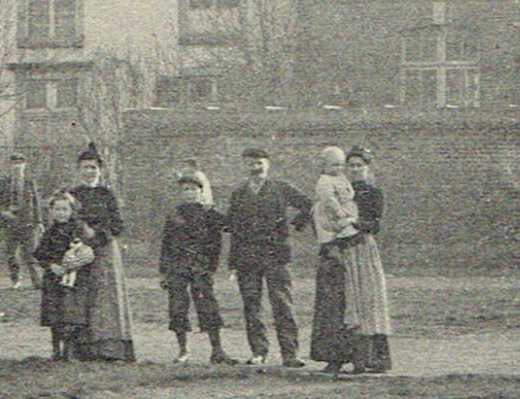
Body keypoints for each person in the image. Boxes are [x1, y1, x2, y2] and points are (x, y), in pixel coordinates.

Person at [224, 148, 313, 367]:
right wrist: (233, 262)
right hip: (247, 256)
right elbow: (234, 228)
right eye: (250, 164)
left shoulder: (282, 188)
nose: (255, 168)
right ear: (244, 166)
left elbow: (309, 205)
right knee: (252, 306)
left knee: (282, 304)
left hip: (276, 255)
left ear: (268, 164)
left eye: (259, 163)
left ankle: (290, 354)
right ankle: (258, 352)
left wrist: (297, 224)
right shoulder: (239, 193)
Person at [311, 146, 395, 374]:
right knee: (335, 305)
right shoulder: (333, 187)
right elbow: (320, 210)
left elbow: (374, 225)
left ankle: (370, 358)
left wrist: (353, 222)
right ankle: (335, 357)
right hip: (337, 250)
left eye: (360, 165)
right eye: (351, 165)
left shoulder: (373, 192)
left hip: (361, 250)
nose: (355, 169)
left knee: (365, 303)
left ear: (367, 168)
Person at [66, 142, 136, 361]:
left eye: (94, 168)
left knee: (106, 299)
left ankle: (109, 349)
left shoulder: (107, 194)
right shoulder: (72, 194)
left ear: (100, 171)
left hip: (105, 251)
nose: (90, 172)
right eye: (86, 167)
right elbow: (66, 219)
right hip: (80, 250)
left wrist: (98, 236)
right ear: (78, 170)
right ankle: (81, 349)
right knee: (81, 296)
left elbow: (117, 225)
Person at [161, 175, 235, 365]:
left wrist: (211, 266)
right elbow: (166, 244)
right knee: (177, 307)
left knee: (208, 306)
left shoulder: (209, 213)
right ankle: (183, 350)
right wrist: (164, 271)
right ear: (180, 193)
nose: (189, 193)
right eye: (185, 190)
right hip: (177, 267)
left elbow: (229, 226)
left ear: (201, 192)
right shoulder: (174, 215)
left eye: (194, 189)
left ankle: (217, 350)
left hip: (201, 267)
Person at [32, 192, 91, 360]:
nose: (61, 213)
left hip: (75, 279)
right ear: (51, 211)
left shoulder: (78, 229)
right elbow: (40, 254)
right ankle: (56, 349)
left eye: (65, 209)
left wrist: (73, 263)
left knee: (71, 314)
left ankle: (70, 350)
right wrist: (51, 265)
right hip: (54, 278)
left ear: (72, 211)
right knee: (54, 315)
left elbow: (87, 252)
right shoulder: (50, 231)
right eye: (57, 209)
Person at [0, 152, 43, 289]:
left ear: (24, 166)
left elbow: (36, 201)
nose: (17, 167)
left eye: (20, 164)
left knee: (32, 254)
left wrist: (39, 221)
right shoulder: (3, 183)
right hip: (10, 224)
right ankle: (16, 281)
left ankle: (37, 282)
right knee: (12, 255)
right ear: (10, 166)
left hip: (28, 223)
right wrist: (4, 212)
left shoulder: (29, 182)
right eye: (14, 164)